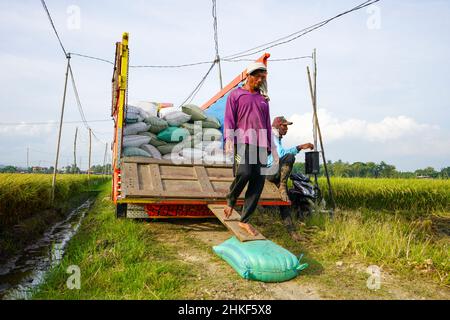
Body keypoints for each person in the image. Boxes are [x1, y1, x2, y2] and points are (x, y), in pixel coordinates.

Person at [223, 62, 275, 236]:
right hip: (243, 141)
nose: (260, 80)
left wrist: (270, 146)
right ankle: (231, 200)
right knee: (244, 173)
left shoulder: (263, 100)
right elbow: (229, 119)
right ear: (249, 76)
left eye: (263, 78)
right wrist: (229, 138)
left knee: (257, 183)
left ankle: (244, 220)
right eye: (258, 77)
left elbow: (267, 124)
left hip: (261, 144)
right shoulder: (236, 95)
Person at [266, 116, 314, 240]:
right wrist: (299, 147)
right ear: (277, 126)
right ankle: (282, 185)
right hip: (269, 171)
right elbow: (282, 155)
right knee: (289, 158)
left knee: (285, 203)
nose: (286, 129)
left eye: (287, 126)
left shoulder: (277, 138)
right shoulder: (272, 136)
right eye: (284, 126)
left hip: (277, 172)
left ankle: (292, 233)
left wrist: (300, 147)